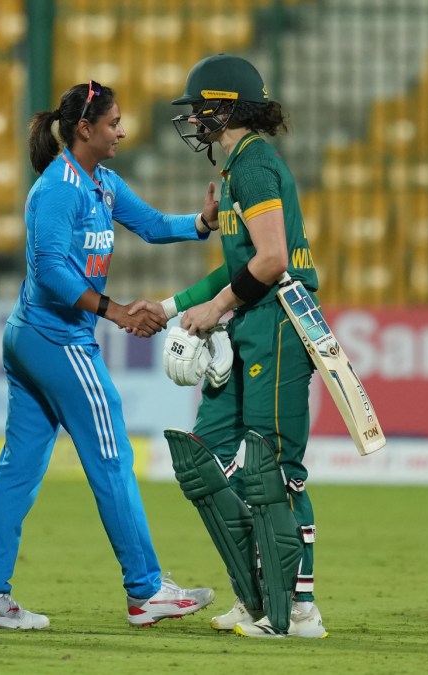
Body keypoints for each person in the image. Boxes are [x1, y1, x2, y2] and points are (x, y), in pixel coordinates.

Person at [0, 80, 219, 630]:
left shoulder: (100, 182)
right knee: (112, 458)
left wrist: (201, 223)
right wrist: (115, 311)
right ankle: (146, 590)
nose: (122, 132)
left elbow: (151, 225)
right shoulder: (59, 190)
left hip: (31, 336)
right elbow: (51, 271)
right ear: (85, 129)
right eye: (113, 123)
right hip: (57, 338)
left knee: (19, 468)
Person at [155, 53, 328, 638]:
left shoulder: (253, 166)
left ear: (223, 109)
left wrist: (216, 308)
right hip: (251, 324)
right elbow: (238, 266)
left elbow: (273, 260)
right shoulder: (237, 171)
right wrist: (171, 307)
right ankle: (253, 595)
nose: (192, 119)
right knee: (207, 456)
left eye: (199, 108)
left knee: (273, 468)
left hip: (279, 322)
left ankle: (298, 608)